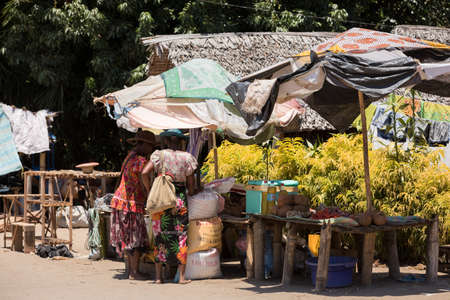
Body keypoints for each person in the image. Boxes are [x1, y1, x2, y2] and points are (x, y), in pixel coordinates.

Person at [142, 129, 198, 284]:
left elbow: (144, 173)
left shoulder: (158, 155)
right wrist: (193, 191)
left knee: (160, 235)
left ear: (165, 141)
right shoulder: (187, 158)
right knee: (181, 236)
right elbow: (191, 186)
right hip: (179, 201)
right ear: (181, 142)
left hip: (161, 200)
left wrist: (149, 191)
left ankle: (159, 277)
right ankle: (181, 277)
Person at [110, 131, 156, 280]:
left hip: (120, 202)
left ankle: (130, 271)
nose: (152, 150)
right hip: (131, 204)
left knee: (127, 238)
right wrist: (149, 192)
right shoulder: (140, 161)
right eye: (151, 146)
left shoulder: (129, 157)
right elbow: (143, 176)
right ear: (145, 145)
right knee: (135, 239)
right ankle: (134, 272)